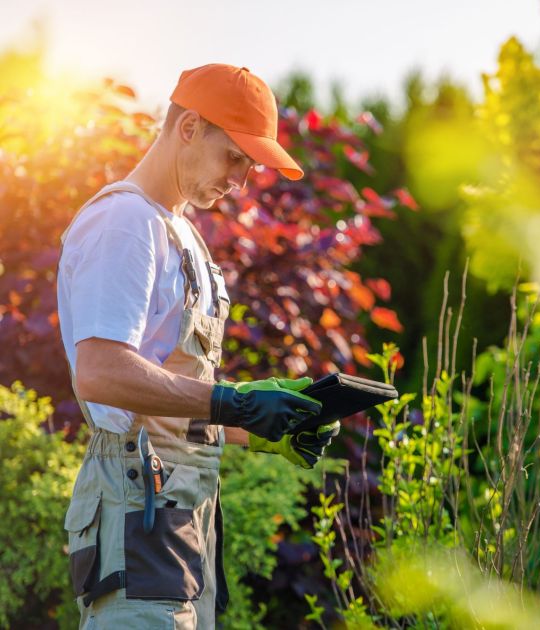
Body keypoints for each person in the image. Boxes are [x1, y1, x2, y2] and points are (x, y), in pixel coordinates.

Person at [57, 63, 340, 629]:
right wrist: (231, 401)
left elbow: (179, 400)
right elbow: (100, 372)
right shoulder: (124, 223)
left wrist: (263, 423)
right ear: (188, 128)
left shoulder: (180, 231)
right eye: (234, 156)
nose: (240, 179)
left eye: (250, 165)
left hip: (183, 519)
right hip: (137, 510)